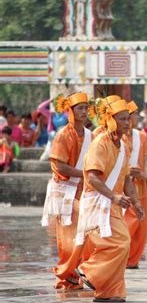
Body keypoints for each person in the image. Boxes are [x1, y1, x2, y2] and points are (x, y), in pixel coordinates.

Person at [74, 97, 144, 303]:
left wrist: (137, 201)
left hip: (113, 202)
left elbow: (127, 179)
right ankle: (89, 271)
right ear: (110, 120)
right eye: (122, 119)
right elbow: (93, 177)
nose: (127, 123)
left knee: (119, 244)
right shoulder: (100, 144)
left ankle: (108, 291)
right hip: (99, 202)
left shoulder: (123, 145)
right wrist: (113, 195)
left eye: (127, 119)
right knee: (120, 242)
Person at [40, 92, 92, 290]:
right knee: (69, 237)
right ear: (69, 111)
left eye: (86, 108)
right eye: (80, 108)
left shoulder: (90, 135)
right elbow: (61, 167)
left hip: (82, 189)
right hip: (66, 190)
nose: (85, 112)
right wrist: (87, 174)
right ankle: (65, 274)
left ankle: (76, 271)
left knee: (85, 233)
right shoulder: (63, 134)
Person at [124, 101, 147, 269]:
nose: (136, 117)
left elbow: (146, 160)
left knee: (141, 225)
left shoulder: (141, 136)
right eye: (134, 114)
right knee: (127, 224)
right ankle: (121, 257)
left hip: (140, 187)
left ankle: (132, 260)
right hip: (123, 188)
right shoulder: (116, 136)